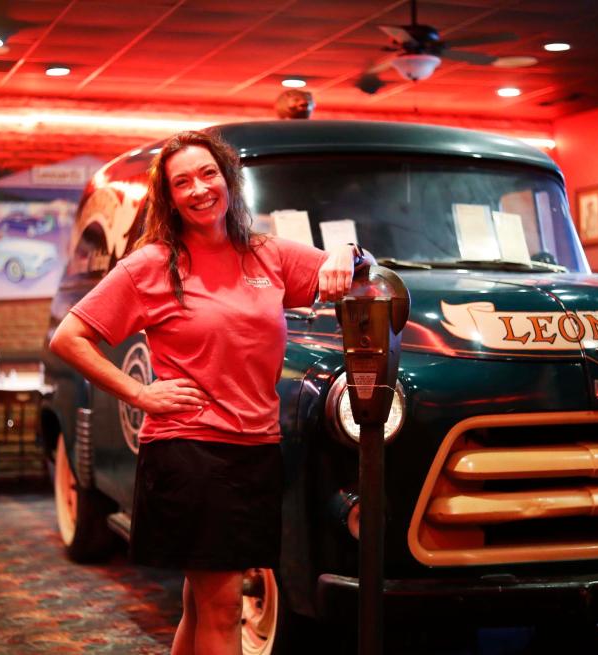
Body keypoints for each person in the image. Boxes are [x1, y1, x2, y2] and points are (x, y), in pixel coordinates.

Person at [49, 130, 368, 655]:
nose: (198, 189)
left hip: (256, 450)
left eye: (207, 174)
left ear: (227, 180)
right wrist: (140, 394)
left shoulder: (267, 255)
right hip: (191, 450)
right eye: (182, 182)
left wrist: (348, 252)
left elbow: (363, 274)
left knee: (201, 605)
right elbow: (70, 336)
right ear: (169, 198)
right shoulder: (152, 264)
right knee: (223, 609)